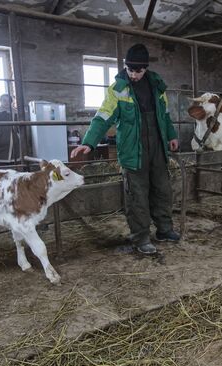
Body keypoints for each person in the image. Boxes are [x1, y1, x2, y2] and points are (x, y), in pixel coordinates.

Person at [71, 43, 180, 254]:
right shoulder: (118, 89)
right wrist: (89, 141)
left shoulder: (157, 86)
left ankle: (164, 230)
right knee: (137, 196)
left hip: (157, 148)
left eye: (137, 70)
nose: (133, 74)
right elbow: (103, 116)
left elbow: (164, 115)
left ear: (145, 68)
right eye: (130, 69)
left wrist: (172, 135)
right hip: (132, 151)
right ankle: (141, 238)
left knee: (163, 190)